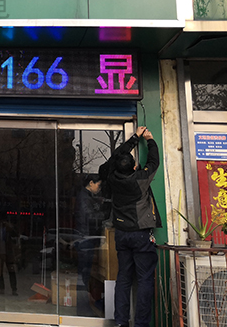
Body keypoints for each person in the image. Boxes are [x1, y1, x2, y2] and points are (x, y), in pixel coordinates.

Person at [102, 126, 160, 327]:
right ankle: (141, 323)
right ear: (135, 167)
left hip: (121, 234)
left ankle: (121, 321)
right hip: (140, 234)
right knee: (144, 279)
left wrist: (134, 138)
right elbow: (154, 162)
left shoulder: (111, 178)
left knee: (124, 279)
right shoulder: (140, 179)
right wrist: (149, 139)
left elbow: (114, 158)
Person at [75, 174, 107, 316]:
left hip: (86, 237)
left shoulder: (86, 197)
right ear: (91, 183)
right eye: (98, 185)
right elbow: (90, 217)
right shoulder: (84, 198)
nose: (99, 188)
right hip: (85, 238)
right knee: (84, 274)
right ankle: (82, 308)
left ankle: (84, 307)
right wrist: (104, 213)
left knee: (85, 274)